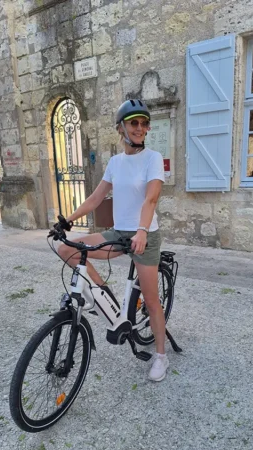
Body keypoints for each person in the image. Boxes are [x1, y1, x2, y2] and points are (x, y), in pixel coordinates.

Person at [58, 99, 169, 381]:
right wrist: (67, 220)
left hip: (145, 235)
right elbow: (96, 198)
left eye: (144, 123)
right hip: (119, 233)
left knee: (153, 302)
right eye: (134, 123)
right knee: (67, 249)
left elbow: (151, 198)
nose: (140, 128)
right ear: (121, 128)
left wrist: (143, 230)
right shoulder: (115, 162)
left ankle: (160, 356)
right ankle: (107, 301)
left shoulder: (153, 158)